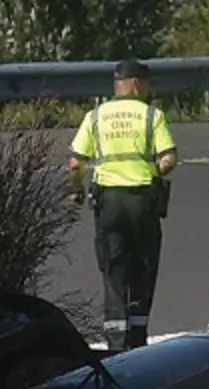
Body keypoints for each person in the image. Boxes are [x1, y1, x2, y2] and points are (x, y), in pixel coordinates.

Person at [68, 59, 178, 350]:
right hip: (142, 200)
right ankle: (139, 339)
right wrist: (154, 172)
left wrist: (77, 189)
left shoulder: (95, 116)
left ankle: (116, 342)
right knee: (142, 268)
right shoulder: (151, 115)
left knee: (114, 270)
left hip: (109, 202)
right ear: (136, 83)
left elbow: (75, 161)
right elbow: (169, 158)